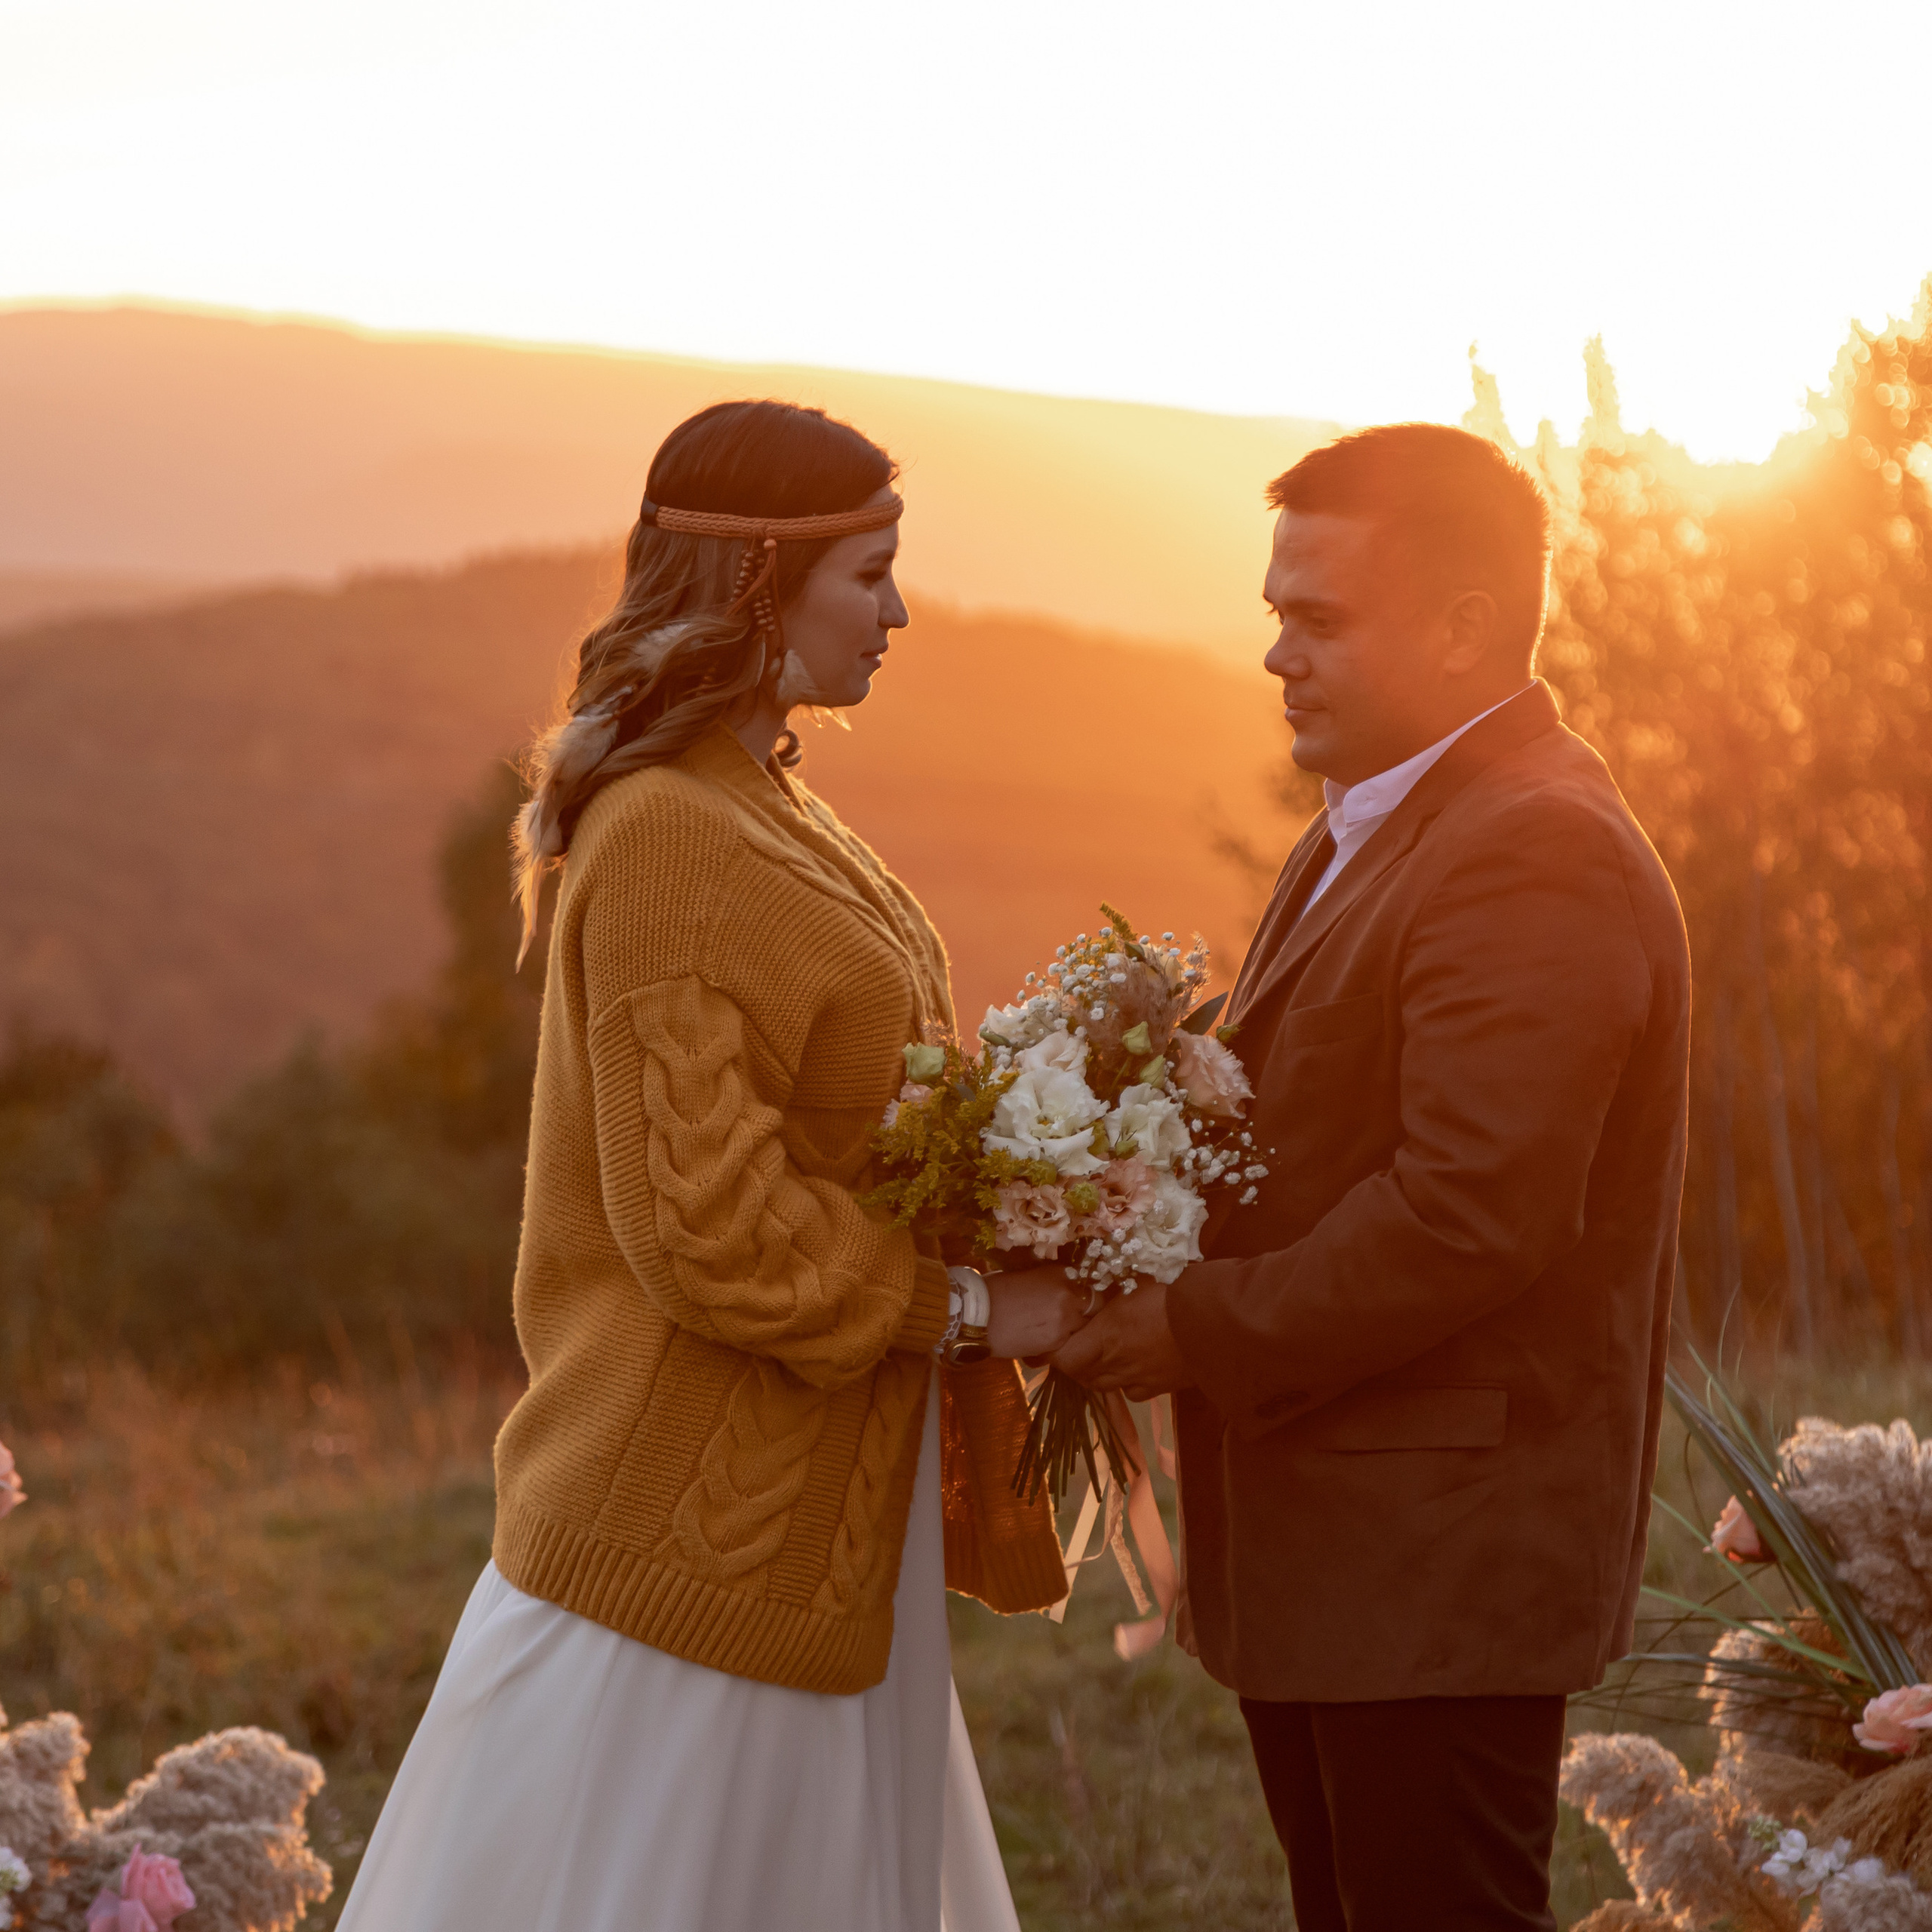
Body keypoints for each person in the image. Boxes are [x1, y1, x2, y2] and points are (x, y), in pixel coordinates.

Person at [338, 399, 1080, 1932]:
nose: (898, 611)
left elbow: (851, 1109)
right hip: (675, 1569)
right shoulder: (669, 833)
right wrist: (966, 1307)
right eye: (869, 572)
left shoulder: (773, 799)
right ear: (759, 580)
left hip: (818, 1542)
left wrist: (1047, 1174)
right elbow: (711, 1228)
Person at [1051, 423, 1693, 1930]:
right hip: (1346, 1553)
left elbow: (1471, 1212)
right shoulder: (1370, 826)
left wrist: (1188, 1327)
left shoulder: (1530, 847)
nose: (1277, 652)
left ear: (1465, 622)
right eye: (1276, 610)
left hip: (1439, 1560)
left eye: (1316, 617)